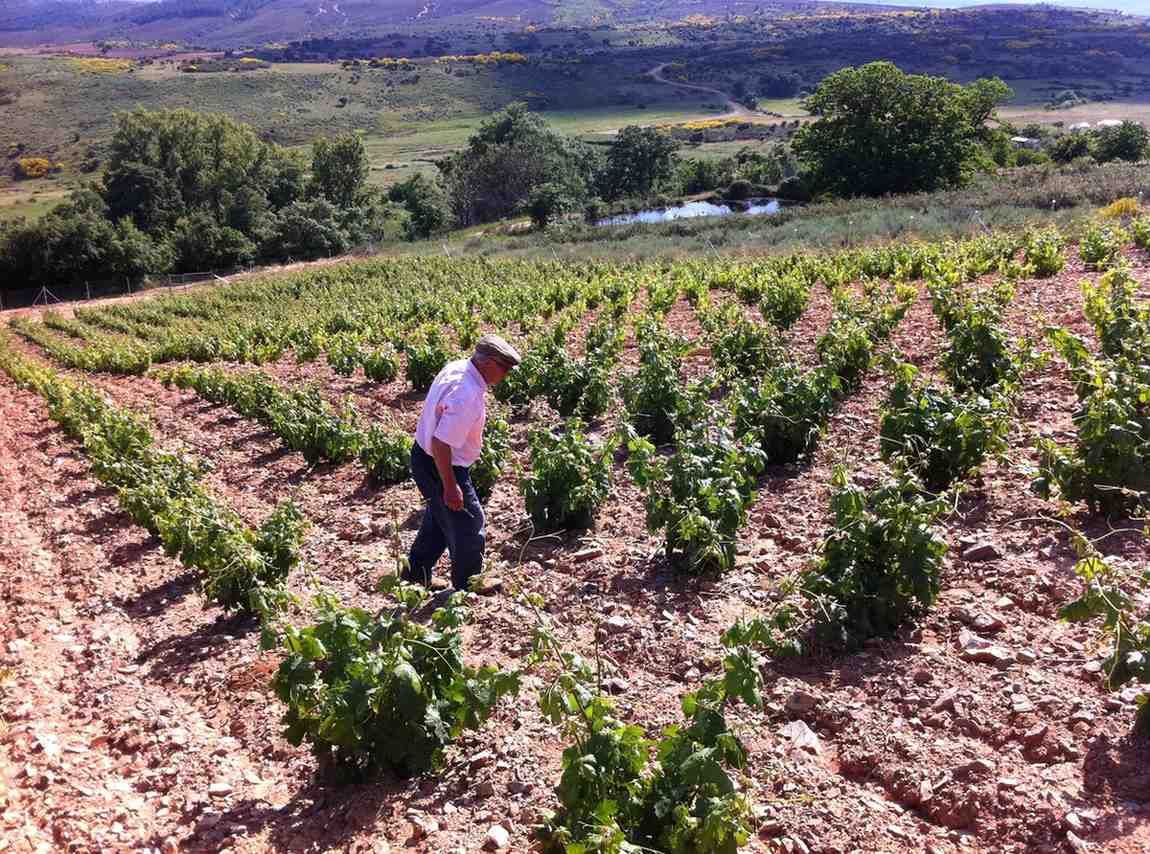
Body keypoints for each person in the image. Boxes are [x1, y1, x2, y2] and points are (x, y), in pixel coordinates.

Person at [404, 334, 522, 592]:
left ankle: (415, 574)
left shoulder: (458, 368)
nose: (506, 375)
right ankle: (468, 585)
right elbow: (441, 444)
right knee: (469, 523)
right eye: (505, 369)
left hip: (424, 457)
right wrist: (450, 485)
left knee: (439, 517)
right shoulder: (466, 392)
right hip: (440, 463)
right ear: (489, 363)